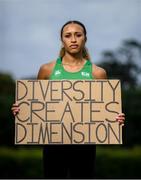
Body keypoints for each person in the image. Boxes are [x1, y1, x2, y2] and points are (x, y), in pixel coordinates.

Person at [11, 20, 125, 179]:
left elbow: (106, 111)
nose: (73, 39)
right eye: (68, 35)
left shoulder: (98, 73)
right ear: (61, 40)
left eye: (78, 35)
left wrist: (115, 118)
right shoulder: (46, 70)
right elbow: (35, 106)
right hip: (53, 144)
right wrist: (21, 110)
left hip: (85, 145)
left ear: (85, 38)